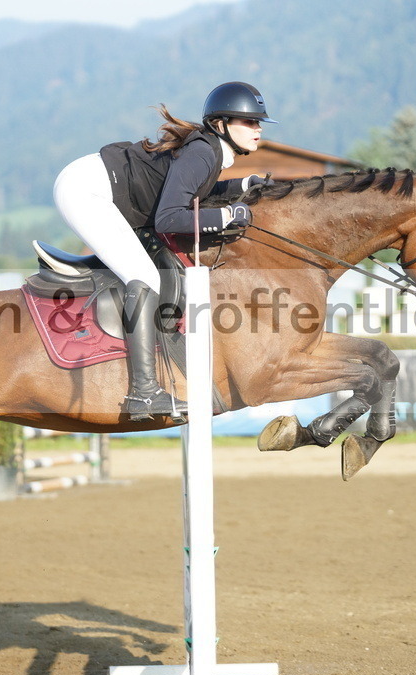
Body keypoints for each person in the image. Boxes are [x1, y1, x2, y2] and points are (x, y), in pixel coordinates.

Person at [52, 81, 277, 421]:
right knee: (144, 277)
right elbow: (170, 218)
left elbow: (192, 188)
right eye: (248, 121)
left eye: (258, 122)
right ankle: (143, 394)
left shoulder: (209, 152)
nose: (257, 128)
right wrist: (228, 215)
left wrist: (241, 186)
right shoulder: (204, 152)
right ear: (221, 124)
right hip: (85, 191)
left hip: (93, 184)